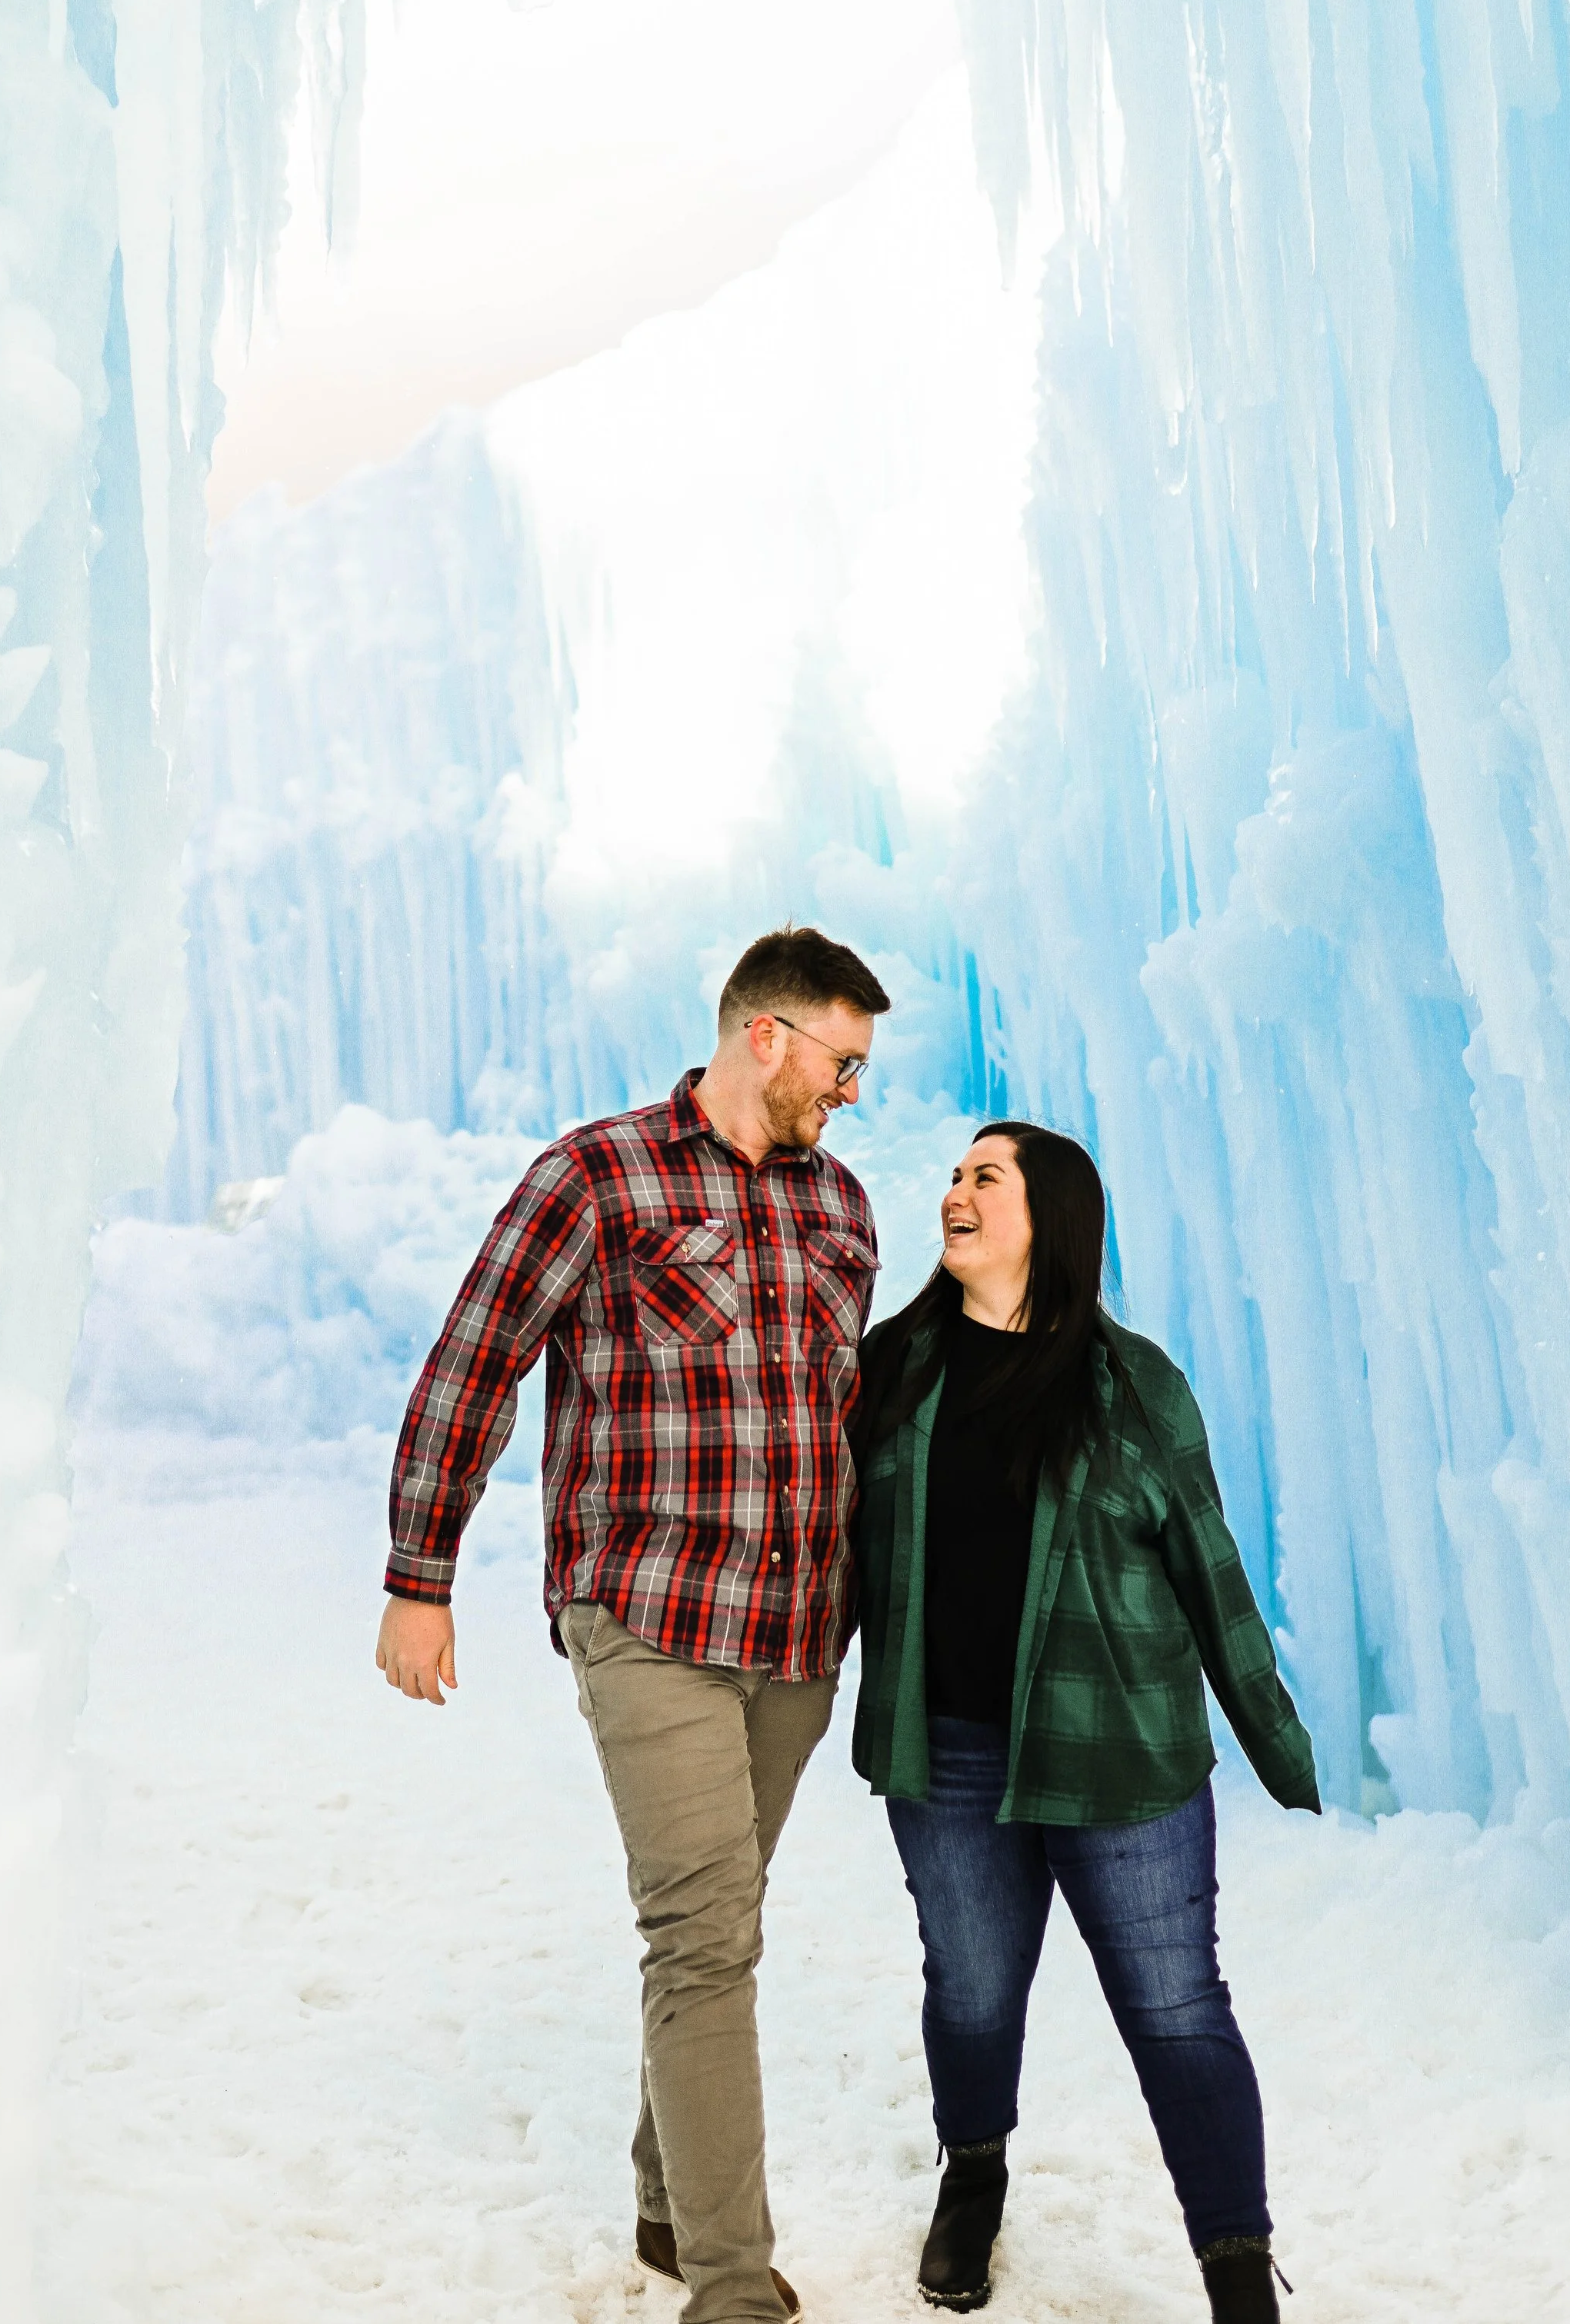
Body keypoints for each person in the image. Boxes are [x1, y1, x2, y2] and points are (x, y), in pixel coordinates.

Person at [375, 927, 891, 2324]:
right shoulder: (596, 1175)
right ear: (763, 1034)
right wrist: (419, 1575)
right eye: (842, 1061)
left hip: (796, 1632)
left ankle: (670, 2207)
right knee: (704, 1934)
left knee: (724, 1919)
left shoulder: (844, 1209)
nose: (852, 1091)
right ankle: (732, 2286)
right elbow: (473, 1358)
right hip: (649, 1611)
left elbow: (855, 1425)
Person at [851, 1120, 1318, 2322]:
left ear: (1048, 1216)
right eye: (954, 1176)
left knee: (1176, 2005)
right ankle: (975, 2174)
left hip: (1122, 1755)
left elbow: (1212, 1569)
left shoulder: (1136, 1385)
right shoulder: (895, 1369)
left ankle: (1234, 2263)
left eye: (984, 1178)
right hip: (948, 1747)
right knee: (969, 1988)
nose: (955, 1193)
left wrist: (1277, 1741)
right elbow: (841, 1554)